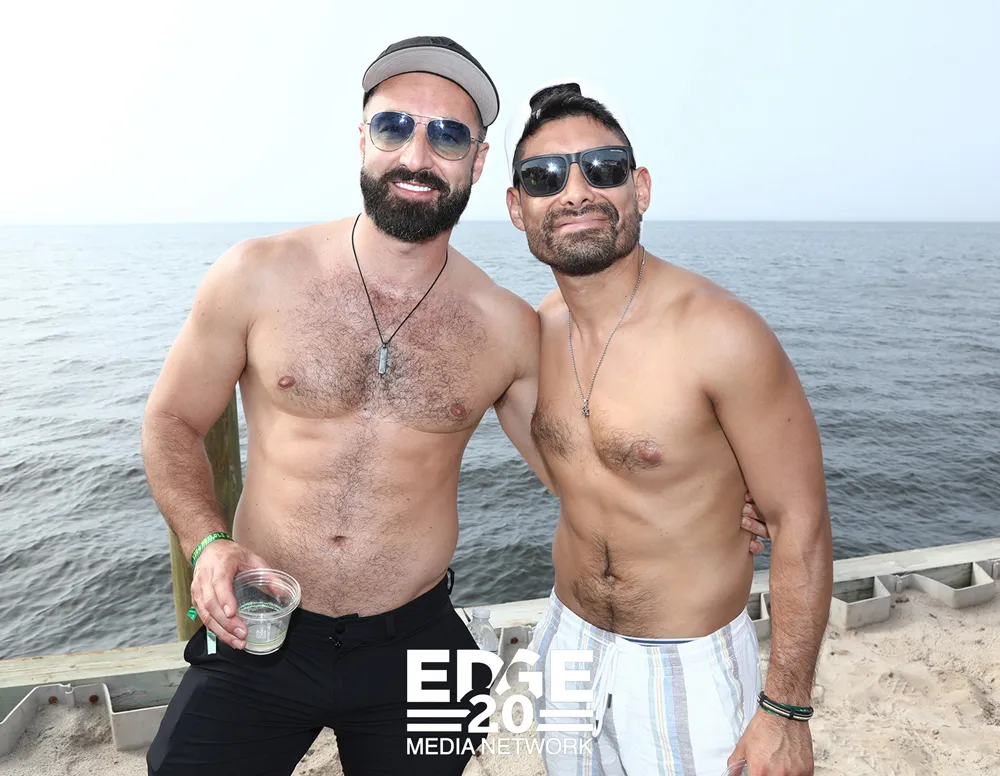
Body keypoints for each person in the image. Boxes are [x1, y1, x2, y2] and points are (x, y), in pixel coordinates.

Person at [141, 37, 769, 776]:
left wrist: (715, 496)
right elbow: (172, 422)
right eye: (394, 126)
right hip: (260, 622)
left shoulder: (505, 327)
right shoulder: (256, 275)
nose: (417, 154)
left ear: (477, 162)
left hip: (416, 638)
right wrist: (208, 544)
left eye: (447, 135)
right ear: (363, 139)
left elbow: (580, 464)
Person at [504, 83, 833, 776]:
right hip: (568, 642)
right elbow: (567, 472)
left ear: (641, 189)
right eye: (544, 177)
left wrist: (786, 709)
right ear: (517, 207)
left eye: (603, 169)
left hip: (689, 666)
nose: (576, 192)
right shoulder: (533, 335)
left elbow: (800, 521)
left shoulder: (719, 332)